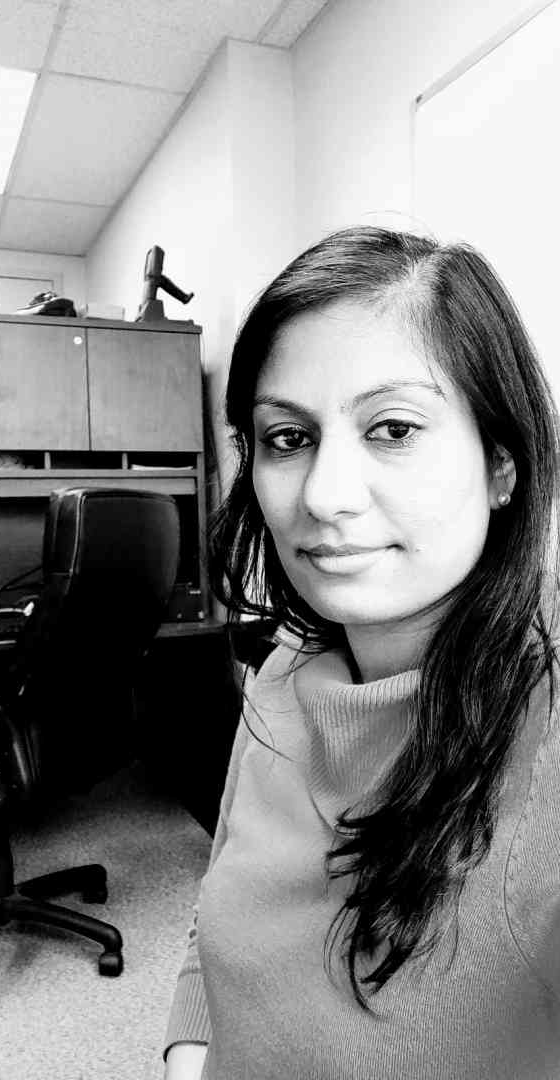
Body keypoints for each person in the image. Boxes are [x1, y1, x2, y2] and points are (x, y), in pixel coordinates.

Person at [162, 226, 560, 1079]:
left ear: (501, 463)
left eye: (392, 428)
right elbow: (221, 912)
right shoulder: (284, 669)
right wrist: (187, 1057)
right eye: (287, 438)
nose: (324, 496)